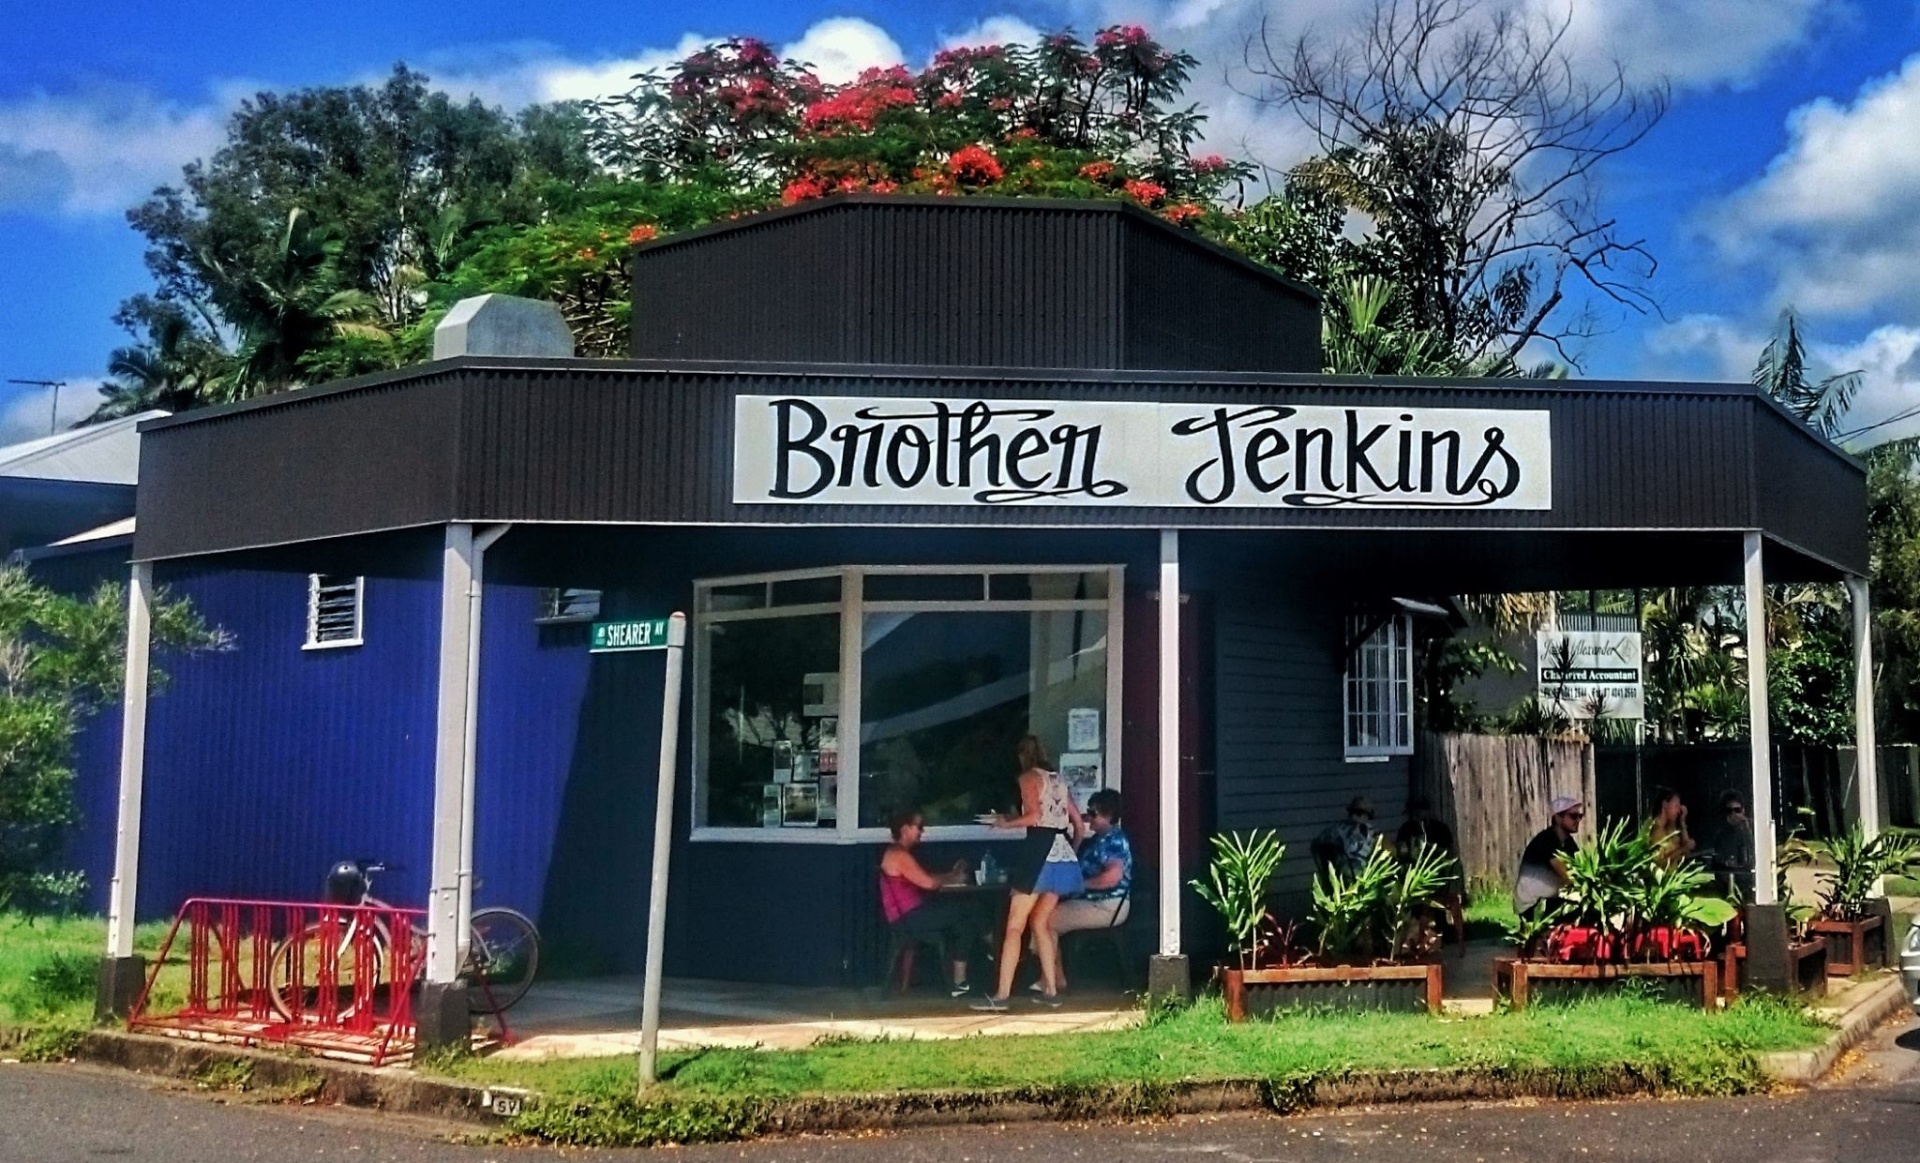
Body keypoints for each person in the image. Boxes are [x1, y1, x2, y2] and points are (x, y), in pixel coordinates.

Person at [972, 735, 1083, 1011]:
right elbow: (1078, 824)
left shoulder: (1027, 779)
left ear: (1022, 757)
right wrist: (1071, 850)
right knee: (1042, 923)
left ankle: (1001, 996)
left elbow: (1034, 816)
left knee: (1014, 926)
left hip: (1038, 850)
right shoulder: (1058, 780)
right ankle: (1052, 991)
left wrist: (1003, 824)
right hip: (1062, 852)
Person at [879, 808, 980, 996]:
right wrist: (953, 878)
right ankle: (990, 947)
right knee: (969, 911)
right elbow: (929, 883)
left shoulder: (898, 853)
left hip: (910, 915)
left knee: (965, 919)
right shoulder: (899, 855)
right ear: (905, 829)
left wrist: (951, 876)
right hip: (910, 917)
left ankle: (960, 980)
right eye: (919, 826)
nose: (922, 831)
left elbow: (923, 877)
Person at [1044, 788, 1133, 991]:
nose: (1089, 818)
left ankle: (1054, 978)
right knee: (1044, 915)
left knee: (1045, 921)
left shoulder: (1115, 841)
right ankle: (1051, 975)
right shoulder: (1098, 839)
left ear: (1109, 816)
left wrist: (1079, 884)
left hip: (1106, 905)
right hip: (1091, 901)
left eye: (1093, 814)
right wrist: (1076, 826)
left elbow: (1112, 877)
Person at [1395, 795, 1466, 954]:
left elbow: (1450, 854)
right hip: (1420, 877)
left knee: (1441, 902)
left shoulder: (1439, 829)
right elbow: (1402, 852)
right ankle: (1422, 937)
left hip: (1440, 881)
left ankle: (1437, 935)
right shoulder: (1407, 829)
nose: (1419, 815)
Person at [1514, 796, 1583, 925]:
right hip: (1533, 905)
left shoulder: (1568, 842)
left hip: (1548, 898)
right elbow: (1567, 874)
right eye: (1574, 816)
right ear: (1558, 818)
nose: (1578, 820)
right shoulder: (1547, 841)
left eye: (1580, 816)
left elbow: (1579, 867)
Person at [1706, 790, 1756, 899]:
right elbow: (1717, 860)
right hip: (1729, 883)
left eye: (1737, 810)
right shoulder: (1722, 834)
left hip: (1751, 881)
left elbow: (1756, 851)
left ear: (1743, 810)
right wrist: (1727, 862)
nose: (1733, 814)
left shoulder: (1753, 827)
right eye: (1729, 811)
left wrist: (1746, 829)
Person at [1315, 796, 1377, 878]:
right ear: (1365, 815)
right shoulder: (1367, 830)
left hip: (1335, 873)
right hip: (1356, 873)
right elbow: (1388, 848)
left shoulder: (1334, 829)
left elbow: (1316, 844)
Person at [1648, 786, 1696, 869]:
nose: (1678, 810)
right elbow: (1659, 862)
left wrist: (1682, 821)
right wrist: (1682, 849)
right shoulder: (1656, 829)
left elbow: (1687, 851)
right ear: (1665, 804)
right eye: (1676, 806)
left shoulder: (1670, 826)